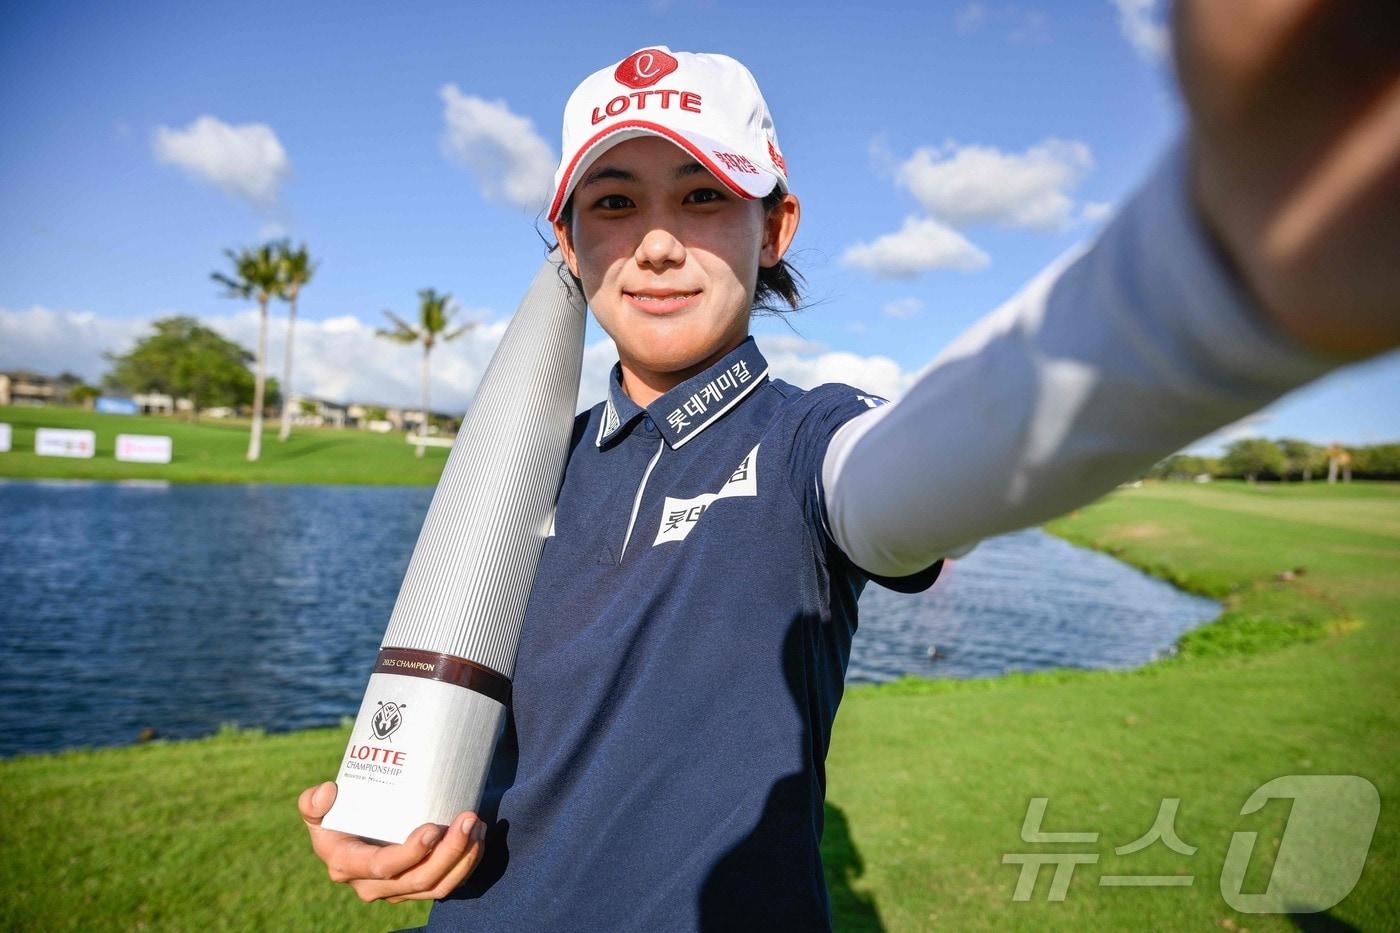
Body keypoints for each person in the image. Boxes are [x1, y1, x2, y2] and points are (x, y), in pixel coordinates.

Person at [300, 4, 1399, 928]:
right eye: (613, 201)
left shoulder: (806, 442)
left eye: (701, 196)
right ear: (568, 240)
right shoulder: (525, 470)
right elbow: (487, 731)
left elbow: (922, 465)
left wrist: (1199, 293)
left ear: (773, 227)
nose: (654, 241)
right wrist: (401, 818)